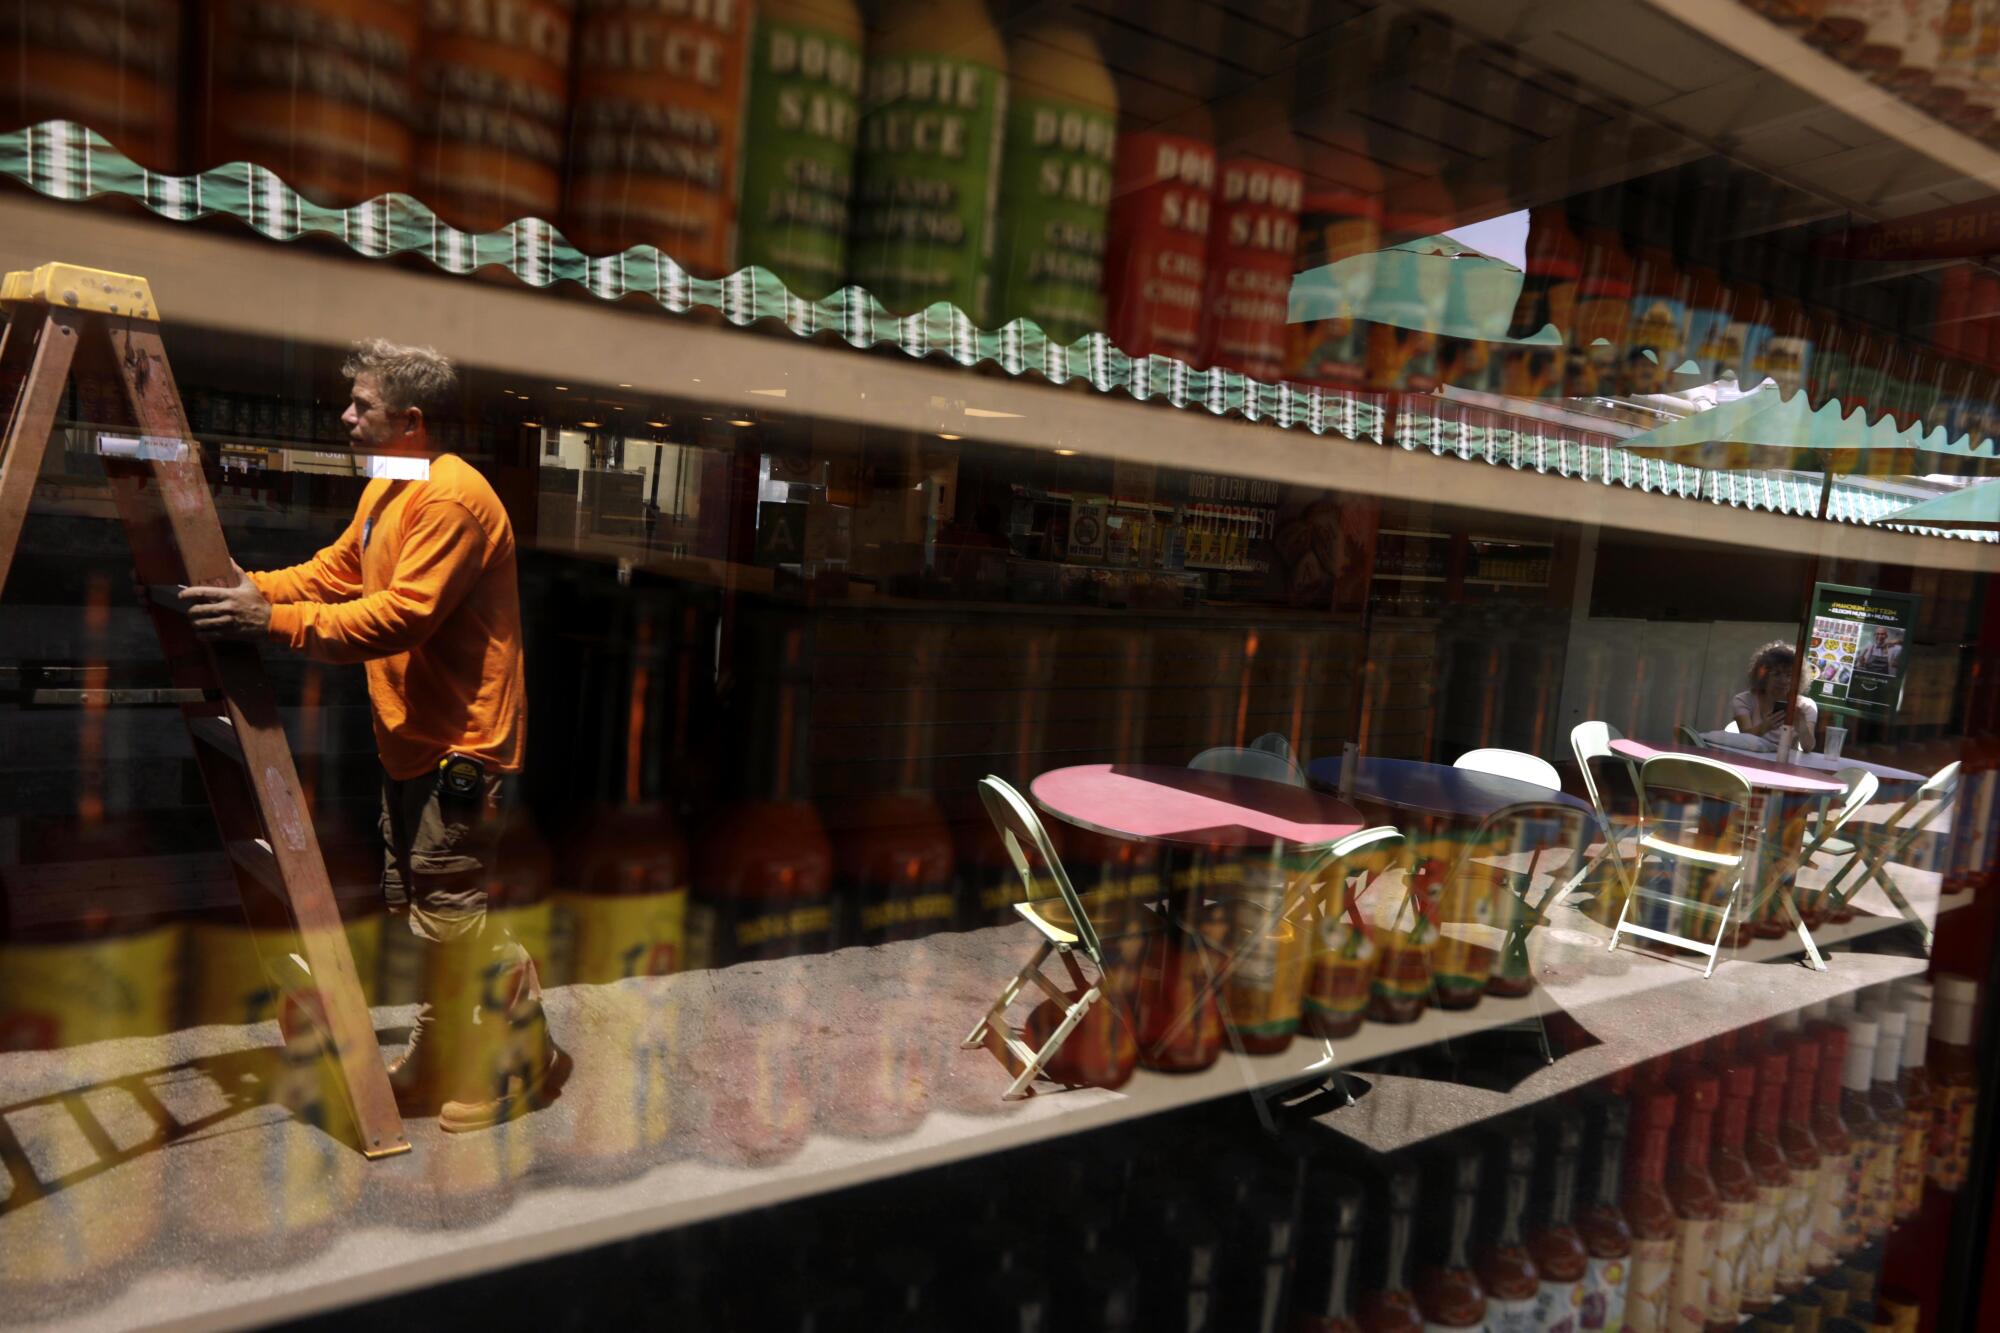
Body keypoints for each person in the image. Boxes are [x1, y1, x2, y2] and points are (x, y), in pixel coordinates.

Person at [179, 339, 558, 1132]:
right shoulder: (395, 484)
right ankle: (442, 1044)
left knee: (452, 913)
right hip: (413, 739)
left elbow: (400, 616)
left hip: (463, 745)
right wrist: (253, 589)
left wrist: (270, 622)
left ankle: (521, 1058)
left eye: (362, 404)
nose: (345, 415)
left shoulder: (451, 497)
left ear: (411, 421)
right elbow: (337, 572)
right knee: (427, 910)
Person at [1730, 640, 1818, 753]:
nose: (1783, 681)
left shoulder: (1806, 706)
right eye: (1777, 674)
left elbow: (1808, 747)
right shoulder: (1744, 700)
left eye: (1789, 675)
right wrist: (1764, 727)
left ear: (1798, 679)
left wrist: (1801, 724)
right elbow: (1744, 738)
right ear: (1763, 677)